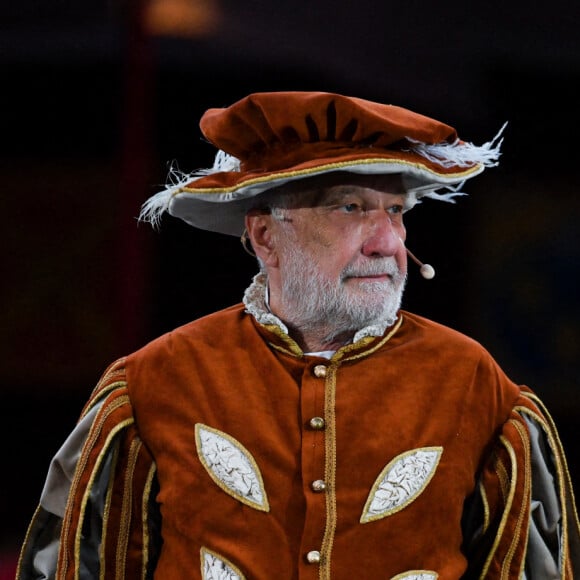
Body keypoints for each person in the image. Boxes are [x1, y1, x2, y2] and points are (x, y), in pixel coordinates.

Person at [17, 91, 580, 579]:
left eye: (396, 212)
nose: (388, 243)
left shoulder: (474, 384)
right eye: (352, 207)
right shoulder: (156, 380)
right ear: (264, 236)